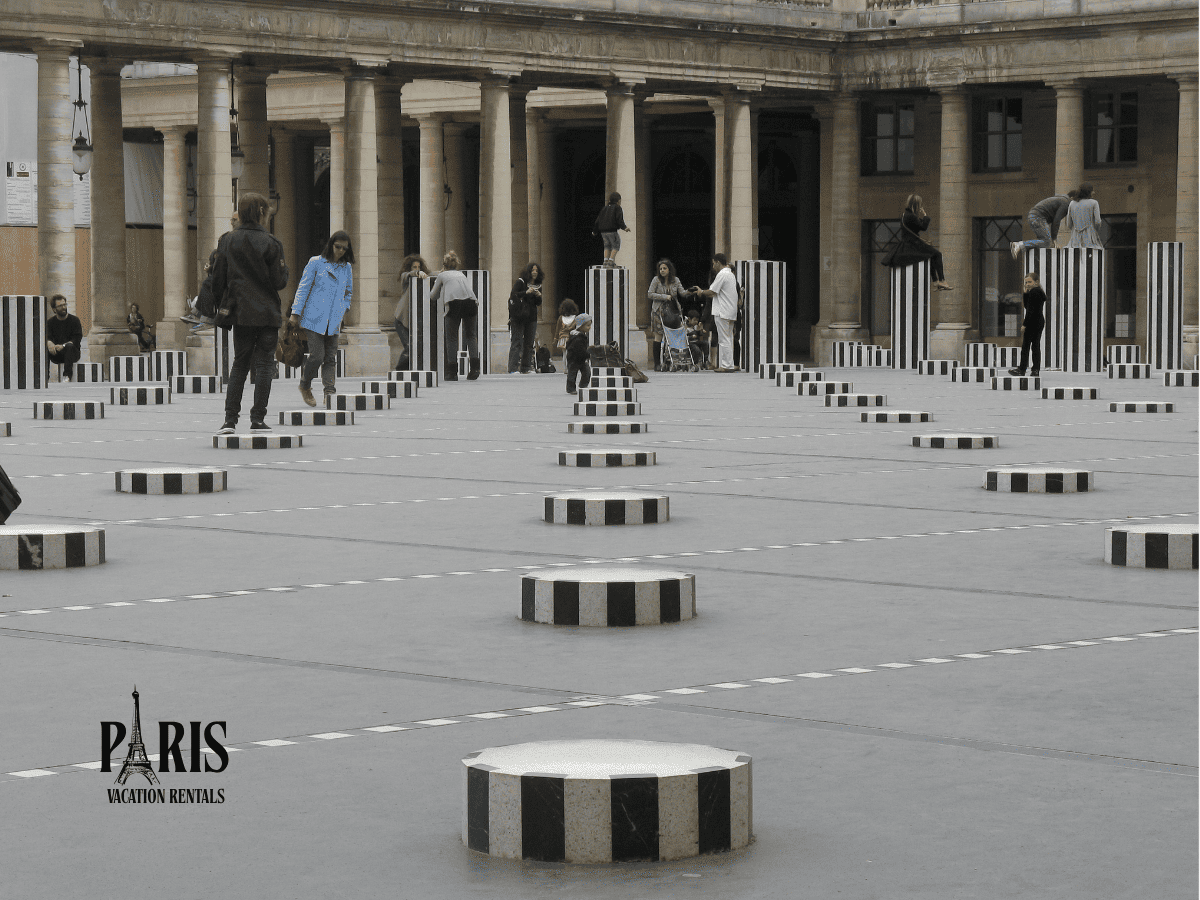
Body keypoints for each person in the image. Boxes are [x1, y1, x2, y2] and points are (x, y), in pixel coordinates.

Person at [209, 192, 289, 434]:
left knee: (240, 364)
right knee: (265, 365)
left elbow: (217, 279)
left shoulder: (227, 241)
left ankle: (230, 420)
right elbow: (279, 281)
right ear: (262, 213)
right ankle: (257, 419)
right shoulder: (272, 243)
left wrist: (223, 302)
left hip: (241, 313)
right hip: (266, 313)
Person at [290, 230, 354, 407]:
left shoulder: (346, 267)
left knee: (331, 358)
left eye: (344, 248)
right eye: (337, 247)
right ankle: (305, 384)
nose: (340, 251)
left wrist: (344, 307)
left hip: (334, 319)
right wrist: (295, 313)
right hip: (313, 317)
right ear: (331, 244)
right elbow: (303, 288)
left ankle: (330, 391)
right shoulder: (316, 263)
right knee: (317, 356)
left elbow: (349, 292)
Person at [881, 194, 953, 291]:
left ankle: (936, 281)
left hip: (909, 242)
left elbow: (916, 225)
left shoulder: (905, 215)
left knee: (930, 255)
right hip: (914, 243)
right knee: (938, 254)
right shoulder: (911, 216)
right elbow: (923, 227)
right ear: (916, 204)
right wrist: (925, 216)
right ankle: (942, 280)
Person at [429, 250, 480, 381]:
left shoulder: (442, 275)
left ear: (443, 264)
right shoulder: (461, 274)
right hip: (471, 302)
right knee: (471, 335)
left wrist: (438, 283)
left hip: (454, 303)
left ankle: (452, 372)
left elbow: (433, 295)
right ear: (456, 265)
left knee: (451, 337)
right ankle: (475, 369)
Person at [694, 253, 740, 372]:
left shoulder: (722, 274)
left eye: (714, 263)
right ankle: (729, 364)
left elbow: (712, 292)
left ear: (718, 262)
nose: (713, 266)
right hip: (730, 311)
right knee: (728, 338)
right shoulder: (730, 274)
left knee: (724, 339)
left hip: (722, 311)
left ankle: (726, 365)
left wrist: (701, 291)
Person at [646, 258, 692, 371]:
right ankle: (657, 363)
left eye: (664, 268)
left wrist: (690, 291)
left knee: (673, 335)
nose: (662, 270)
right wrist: (664, 297)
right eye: (660, 268)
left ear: (669, 269)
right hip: (659, 312)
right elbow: (650, 294)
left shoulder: (675, 280)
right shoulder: (656, 280)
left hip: (673, 312)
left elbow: (682, 293)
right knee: (658, 336)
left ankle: (670, 361)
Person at [1010, 192, 1076, 259]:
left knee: (1042, 242)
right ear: (1072, 198)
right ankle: (1019, 245)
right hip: (1038, 217)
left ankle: (1025, 249)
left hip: (1034, 216)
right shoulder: (1066, 203)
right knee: (1047, 242)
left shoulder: (1061, 199)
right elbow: (1056, 221)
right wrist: (1054, 239)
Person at [507, 262, 544, 373]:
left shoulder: (539, 285)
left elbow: (538, 303)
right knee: (517, 341)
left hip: (531, 317)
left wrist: (539, 296)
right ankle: (513, 368)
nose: (534, 273)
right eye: (532, 270)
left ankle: (526, 367)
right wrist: (526, 292)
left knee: (529, 343)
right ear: (528, 271)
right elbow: (513, 295)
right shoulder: (521, 282)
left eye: (536, 271)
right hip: (518, 316)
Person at [1008, 271, 1047, 378]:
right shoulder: (1038, 292)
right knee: (1035, 346)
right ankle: (1035, 370)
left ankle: (1022, 369)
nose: (1027, 284)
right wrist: (1025, 293)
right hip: (1039, 321)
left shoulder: (1034, 292)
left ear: (1036, 282)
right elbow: (1028, 306)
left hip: (1032, 322)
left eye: (1029, 282)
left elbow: (1030, 310)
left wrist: (1024, 324)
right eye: (1026, 282)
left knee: (1026, 346)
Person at [393, 254, 429, 370]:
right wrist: (417, 274)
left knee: (415, 348)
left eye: (419, 267)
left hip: (413, 320)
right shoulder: (406, 277)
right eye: (414, 267)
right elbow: (408, 275)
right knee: (409, 347)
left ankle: (404, 372)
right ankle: (398, 372)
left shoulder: (421, 281)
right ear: (410, 268)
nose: (417, 269)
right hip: (401, 320)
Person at [45, 294, 83, 380]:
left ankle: (67, 376)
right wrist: (49, 343)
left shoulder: (75, 320)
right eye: (60, 306)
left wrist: (63, 346)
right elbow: (47, 336)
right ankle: (45, 377)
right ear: (54, 309)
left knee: (69, 346)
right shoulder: (50, 322)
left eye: (64, 304)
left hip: (72, 353)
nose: (63, 307)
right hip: (56, 354)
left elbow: (77, 339)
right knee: (44, 348)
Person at [592, 192, 630, 268]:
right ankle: (611, 261)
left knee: (607, 246)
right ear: (618, 200)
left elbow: (598, 220)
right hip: (612, 230)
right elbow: (619, 219)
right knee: (616, 244)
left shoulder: (604, 208)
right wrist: (624, 227)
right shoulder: (617, 207)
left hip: (603, 232)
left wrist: (594, 231)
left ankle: (605, 261)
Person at [1064, 183, 1103, 249]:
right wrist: (1095, 231)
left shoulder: (1072, 203)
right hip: (1090, 238)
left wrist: (1076, 229)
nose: (1094, 192)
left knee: (1074, 257)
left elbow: (1068, 223)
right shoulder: (1094, 202)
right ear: (1088, 192)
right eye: (1092, 190)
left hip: (1075, 239)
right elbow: (1098, 221)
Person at [564, 313, 593, 394]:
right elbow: (579, 350)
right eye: (587, 325)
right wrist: (587, 355)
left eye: (590, 325)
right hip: (574, 359)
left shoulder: (581, 335)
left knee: (587, 372)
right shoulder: (577, 337)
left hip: (581, 359)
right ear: (580, 326)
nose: (589, 327)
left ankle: (583, 385)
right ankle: (571, 388)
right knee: (572, 374)